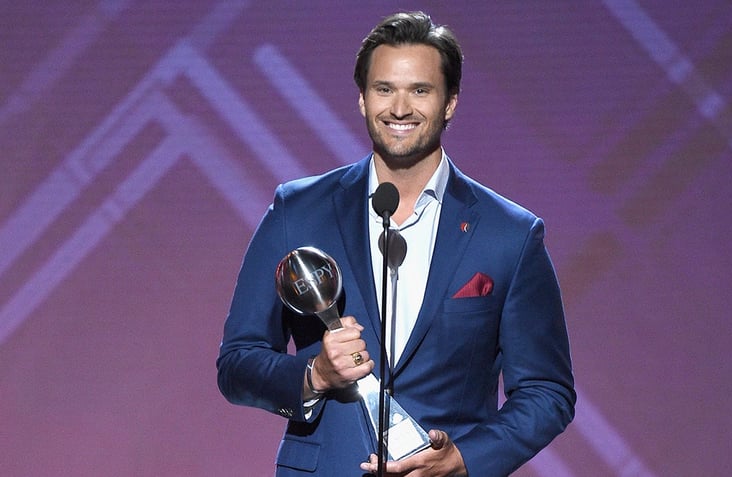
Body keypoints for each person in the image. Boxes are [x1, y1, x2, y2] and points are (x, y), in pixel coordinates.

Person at [216, 11, 575, 477]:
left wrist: (466, 459)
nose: (399, 109)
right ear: (362, 100)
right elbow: (237, 364)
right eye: (384, 89)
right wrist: (314, 375)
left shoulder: (509, 234)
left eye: (420, 91)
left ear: (450, 103)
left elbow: (548, 392)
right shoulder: (298, 211)